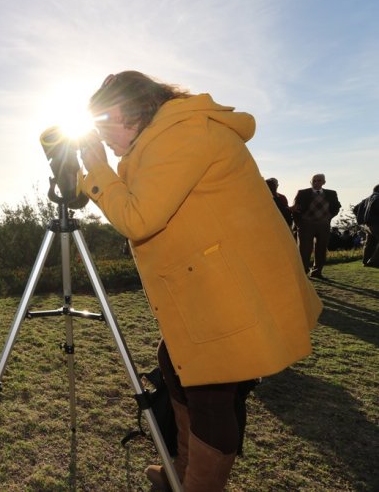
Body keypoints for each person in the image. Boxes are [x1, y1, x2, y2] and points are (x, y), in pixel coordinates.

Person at [77, 71, 321, 491]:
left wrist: (96, 167)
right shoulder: (168, 135)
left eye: (103, 126)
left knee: (210, 394)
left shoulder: (181, 134)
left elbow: (138, 217)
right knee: (175, 364)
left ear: (126, 114)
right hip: (213, 282)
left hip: (227, 289)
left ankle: (197, 484)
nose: (103, 140)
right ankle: (182, 470)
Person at [291, 174, 341, 278]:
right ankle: (303, 272)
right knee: (304, 249)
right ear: (311, 182)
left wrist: (329, 218)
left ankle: (317, 272)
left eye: (319, 181)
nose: (316, 183)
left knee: (321, 248)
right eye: (314, 181)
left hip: (323, 224)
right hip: (306, 224)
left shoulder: (331, 193)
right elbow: (295, 209)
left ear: (324, 182)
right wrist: (299, 224)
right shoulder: (303, 193)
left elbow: (336, 207)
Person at [353, 184, 379, 267]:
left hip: (367, 225)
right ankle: (373, 261)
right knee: (370, 243)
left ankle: (365, 261)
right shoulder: (378, 198)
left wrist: (363, 218)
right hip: (376, 224)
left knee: (370, 243)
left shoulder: (366, 199)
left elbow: (355, 209)